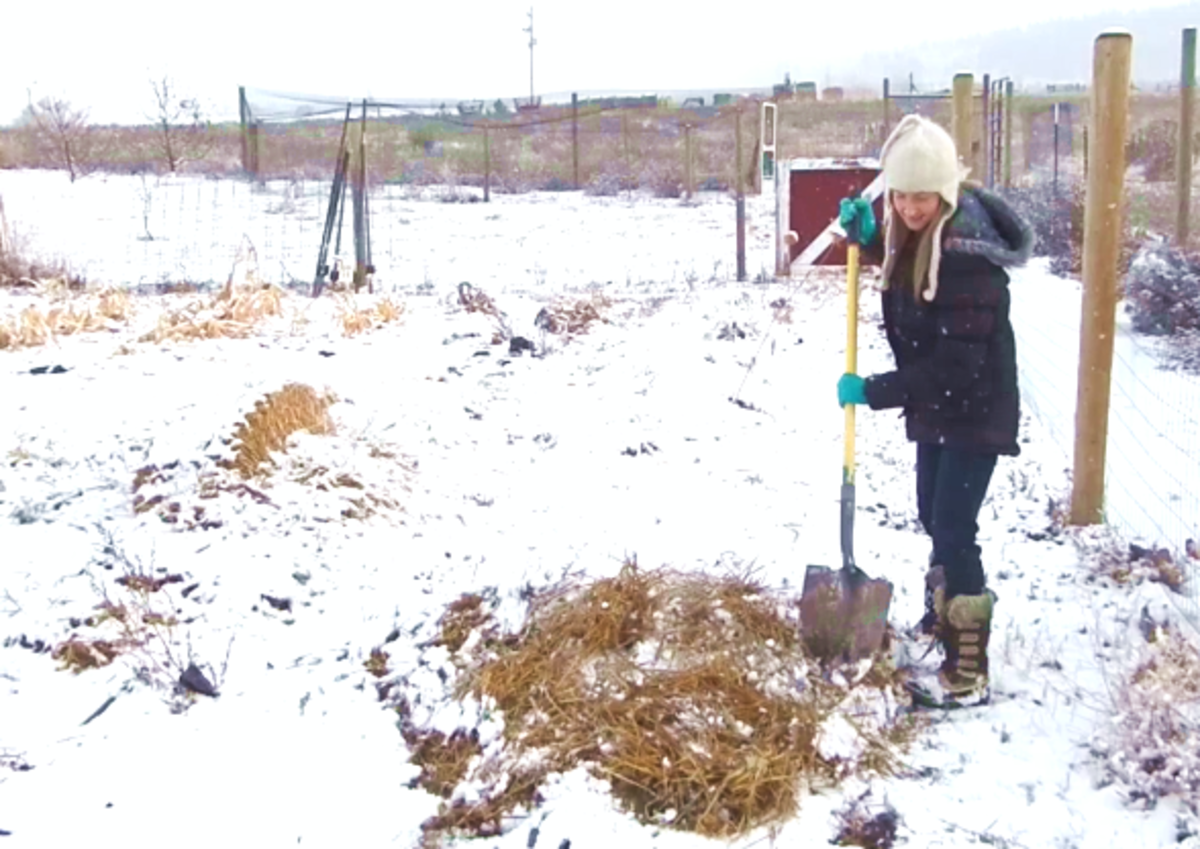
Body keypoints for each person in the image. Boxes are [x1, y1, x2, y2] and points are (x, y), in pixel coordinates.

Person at [836, 114, 1034, 707]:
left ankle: (968, 665)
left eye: (922, 196)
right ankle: (942, 608)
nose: (911, 207)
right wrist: (870, 238)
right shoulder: (920, 237)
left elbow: (957, 367)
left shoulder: (969, 260)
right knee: (931, 511)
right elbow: (913, 279)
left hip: (975, 410)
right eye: (900, 195)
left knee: (954, 526)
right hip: (941, 407)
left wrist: (875, 391)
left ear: (945, 193)